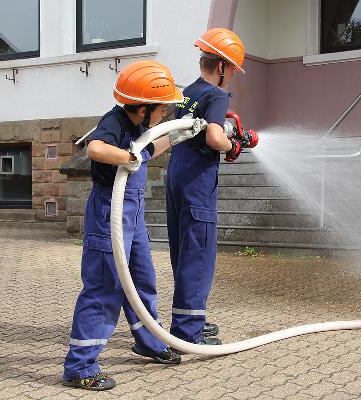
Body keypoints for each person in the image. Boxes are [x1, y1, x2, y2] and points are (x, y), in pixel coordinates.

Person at [63, 60, 197, 391]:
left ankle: (149, 342)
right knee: (105, 285)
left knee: (142, 279)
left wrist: (176, 136)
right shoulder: (115, 121)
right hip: (109, 212)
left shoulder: (139, 124)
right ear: (143, 106)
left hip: (132, 215)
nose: (165, 113)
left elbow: (147, 149)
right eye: (162, 108)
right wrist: (128, 158)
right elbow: (96, 148)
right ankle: (80, 366)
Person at [165, 28, 246, 347]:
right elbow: (214, 137)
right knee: (198, 254)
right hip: (197, 182)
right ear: (222, 66)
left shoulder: (189, 92)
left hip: (177, 176)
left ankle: (189, 318)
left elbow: (191, 131)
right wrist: (233, 145)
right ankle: (188, 332)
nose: (233, 76)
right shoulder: (216, 95)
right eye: (232, 69)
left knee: (183, 251)